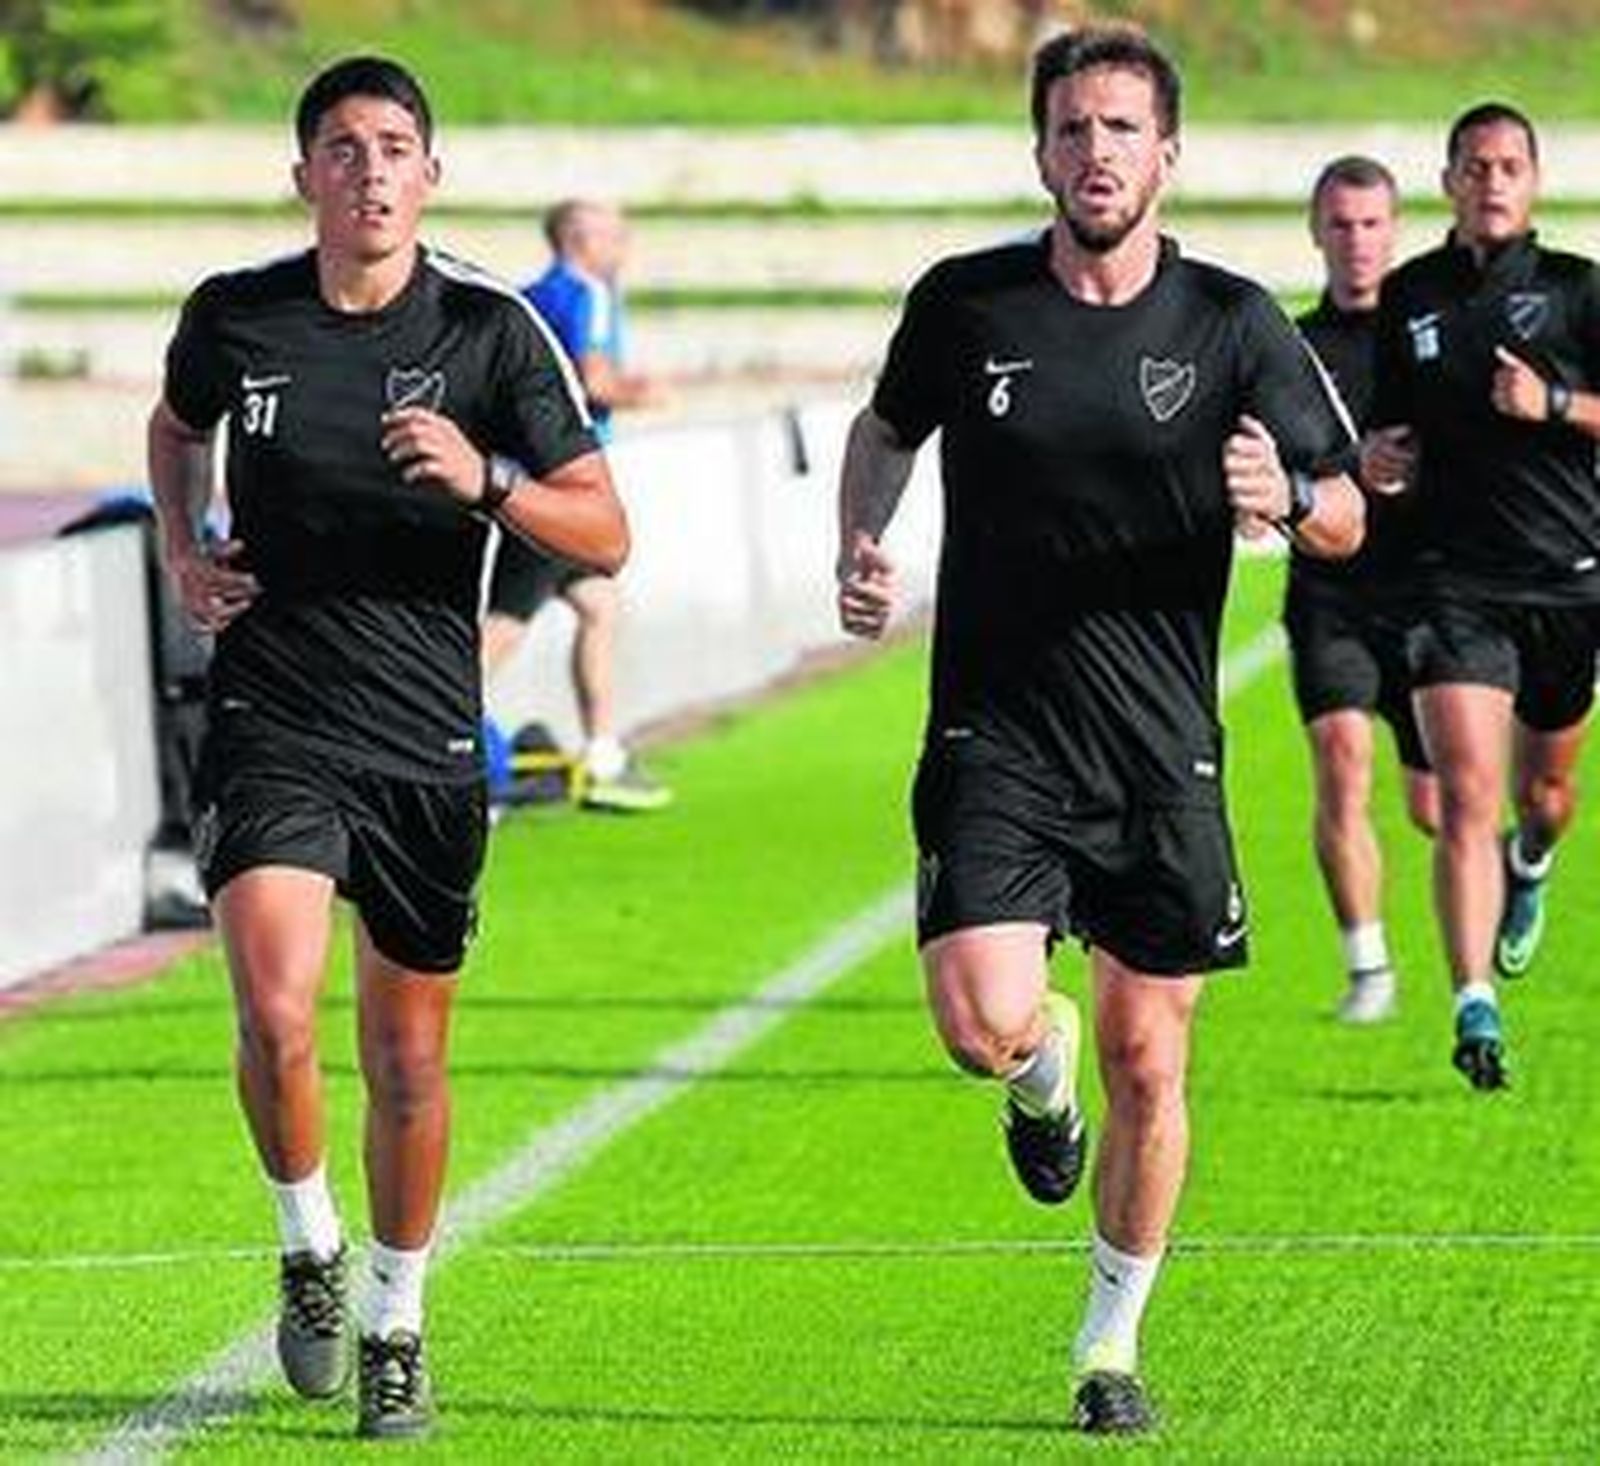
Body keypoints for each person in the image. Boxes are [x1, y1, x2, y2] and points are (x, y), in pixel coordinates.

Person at [835, 24, 1363, 1435]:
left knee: (1155, 1058)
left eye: (1121, 130)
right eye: (1071, 130)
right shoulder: (966, 304)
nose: (1096, 154)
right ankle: (1032, 1071)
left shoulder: (1237, 323)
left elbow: (1355, 505)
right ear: (1041, 151)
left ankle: (1108, 1344)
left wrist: (1292, 500)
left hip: (1158, 747)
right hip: (996, 733)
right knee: (981, 1021)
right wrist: (862, 541)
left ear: (1167, 155)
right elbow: (885, 432)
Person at [146, 56, 626, 1438]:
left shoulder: (493, 331)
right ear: (303, 175)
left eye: (394, 146)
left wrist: (489, 479)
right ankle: (307, 1243)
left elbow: (605, 530)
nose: (369, 171)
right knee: (277, 1008)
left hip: (424, 732)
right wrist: (184, 546)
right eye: (342, 149)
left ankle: (396, 1316)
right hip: (275, 709)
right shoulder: (237, 318)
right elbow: (177, 428)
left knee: (408, 1059)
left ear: (433, 173)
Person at [1370, 103, 1600, 1090]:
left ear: (1533, 180)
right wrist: (1376, 459)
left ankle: (1533, 865)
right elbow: (1381, 435)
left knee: (1541, 798)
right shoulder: (1409, 295)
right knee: (1464, 793)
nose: (1492, 180)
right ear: (1448, 180)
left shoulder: (1578, 291)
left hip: (1566, 579)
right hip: (1452, 582)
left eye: (1509, 164)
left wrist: (1550, 404)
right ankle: (1473, 1002)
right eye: (1474, 165)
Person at [1284, 156, 1440, 1024]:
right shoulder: (1292, 348)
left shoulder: (1429, 333)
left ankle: (1495, 880)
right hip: (1330, 596)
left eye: (1372, 223)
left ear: (1396, 229)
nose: (1356, 241)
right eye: (1340, 224)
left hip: (1426, 597)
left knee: (1436, 806)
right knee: (1342, 768)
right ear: (1316, 232)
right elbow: (1276, 460)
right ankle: (1369, 969)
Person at [482, 198, 670, 813]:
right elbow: (593, 382)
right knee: (507, 624)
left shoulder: (531, 295)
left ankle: (602, 753)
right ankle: (432, 729)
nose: (624, 245)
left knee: (599, 606)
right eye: (614, 233)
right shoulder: (586, 294)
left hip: (530, 477)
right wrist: (643, 392)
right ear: (578, 237)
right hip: (559, 488)